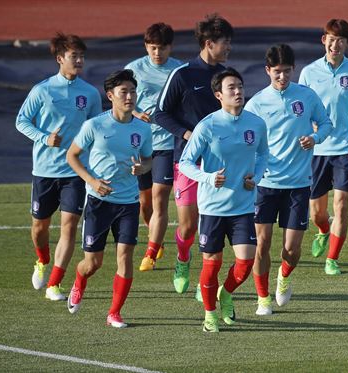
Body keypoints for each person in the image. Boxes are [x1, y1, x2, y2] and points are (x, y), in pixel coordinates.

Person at [245, 44, 333, 316]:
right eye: (276, 72)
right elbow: (246, 140)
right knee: (262, 244)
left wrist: (315, 138)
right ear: (267, 71)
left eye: (286, 72)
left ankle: (283, 278)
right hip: (266, 184)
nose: (282, 77)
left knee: (292, 249)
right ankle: (262, 298)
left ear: (293, 70)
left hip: (298, 185)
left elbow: (326, 124)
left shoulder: (306, 97)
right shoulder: (256, 102)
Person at [179, 68, 268, 332]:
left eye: (240, 86)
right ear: (219, 95)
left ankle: (226, 294)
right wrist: (207, 178)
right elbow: (185, 162)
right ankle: (209, 315)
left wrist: (257, 176)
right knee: (212, 263)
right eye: (231, 88)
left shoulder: (256, 123)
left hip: (242, 206)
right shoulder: (207, 126)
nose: (238, 91)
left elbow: (263, 155)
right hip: (212, 208)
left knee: (245, 262)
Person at [16, 33, 102, 301]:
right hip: (44, 171)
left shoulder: (89, 93)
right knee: (39, 228)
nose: (79, 60)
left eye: (82, 56)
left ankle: (54, 283)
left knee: (69, 226)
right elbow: (22, 121)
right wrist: (45, 138)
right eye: (74, 56)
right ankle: (42, 260)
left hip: (75, 172)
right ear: (59, 59)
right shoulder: (42, 90)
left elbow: (97, 128)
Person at [66, 69, 153, 328]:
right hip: (98, 202)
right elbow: (72, 155)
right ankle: (79, 282)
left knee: (125, 256)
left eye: (133, 91)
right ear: (111, 95)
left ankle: (114, 313)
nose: (130, 96)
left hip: (128, 203)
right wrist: (92, 182)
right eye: (124, 92)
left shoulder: (142, 129)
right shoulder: (95, 125)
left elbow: (148, 159)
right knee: (93, 263)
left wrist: (143, 169)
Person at [155, 14, 233, 294]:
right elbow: (159, 113)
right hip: (187, 163)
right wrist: (187, 135)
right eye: (225, 42)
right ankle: (182, 258)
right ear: (209, 43)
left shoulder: (227, 77)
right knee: (188, 226)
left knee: (211, 226)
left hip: (220, 164)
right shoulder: (183, 75)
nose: (229, 48)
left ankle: (207, 281)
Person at [298, 19, 348, 275]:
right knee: (317, 211)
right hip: (316, 150)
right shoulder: (309, 72)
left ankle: (332, 258)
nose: (335, 44)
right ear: (323, 40)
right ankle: (323, 230)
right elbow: (301, 108)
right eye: (331, 38)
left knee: (341, 205)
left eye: (341, 40)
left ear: (347, 44)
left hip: (343, 149)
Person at [125, 22, 183, 271]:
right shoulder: (133, 69)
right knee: (144, 203)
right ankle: (157, 241)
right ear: (146, 47)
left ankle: (149, 253)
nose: (157, 53)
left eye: (161, 48)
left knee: (160, 198)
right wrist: (136, 112)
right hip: (140, 144)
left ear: (170, 47)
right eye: (152, 48)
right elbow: (122, 100)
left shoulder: (179, 70)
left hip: (167, 143)